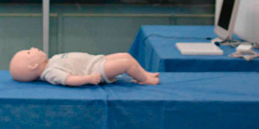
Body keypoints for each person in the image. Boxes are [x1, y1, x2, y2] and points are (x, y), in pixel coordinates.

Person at [10, 48, 159, 86]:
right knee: (126, 64)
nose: (33, 48)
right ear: (33, 66)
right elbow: (69, 79)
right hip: (97, 69)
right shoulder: (51, 72)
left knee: (125, 56)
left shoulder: (51, 61)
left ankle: (145, 74)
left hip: (96, 60)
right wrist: (88, 78)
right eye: (29, 52)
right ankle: (145, 79)